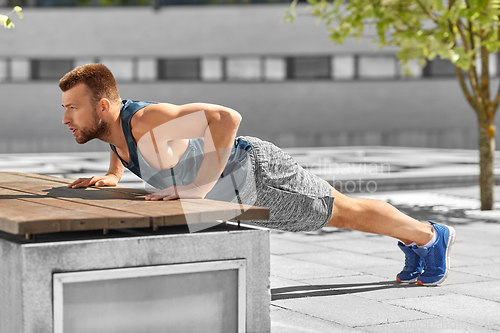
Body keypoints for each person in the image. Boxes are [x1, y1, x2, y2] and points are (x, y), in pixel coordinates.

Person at [59, 63, 455, 286]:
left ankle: (431, 236)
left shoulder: (147, 119)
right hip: (234, 188)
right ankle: (414, 237)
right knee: (337, 210)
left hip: (254, 173)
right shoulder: (113, 129)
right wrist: (113, 175)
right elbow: (120, 143)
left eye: (72, 108)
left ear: (105, 106)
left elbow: (225, 117)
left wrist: (197, 186)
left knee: (338, 211)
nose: (65, 118)